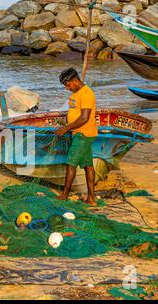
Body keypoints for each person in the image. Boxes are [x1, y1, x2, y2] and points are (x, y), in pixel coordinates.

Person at [55, 68, 98, 206]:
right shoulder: (75, 94)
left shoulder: (87, 93)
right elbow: (75, 113)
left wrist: (66, 128)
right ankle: (91, 198)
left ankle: (64, 195)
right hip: (77, 133)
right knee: (88, 166)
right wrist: (65, 122)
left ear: (75, 80)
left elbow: (85, 117)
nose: (67, 88)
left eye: (68, 85)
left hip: (84, 133)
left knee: (70, 163)